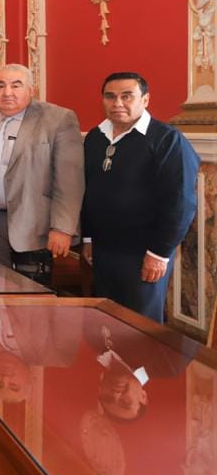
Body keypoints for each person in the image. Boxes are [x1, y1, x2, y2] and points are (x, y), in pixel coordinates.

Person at [82, 72, 200, 323]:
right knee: (107, 324)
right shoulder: (95, 137)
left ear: (145, 100)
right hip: (103, 250)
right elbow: (89, 191)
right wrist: (89, 237)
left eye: (127, 96)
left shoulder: (167, 140)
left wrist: (159, 254)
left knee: (140, 328)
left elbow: (181, 203)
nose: (118, 103)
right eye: (110, 96)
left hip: (143, 254)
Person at [0, 63, 84, 285]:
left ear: (31, 90)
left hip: (35, 224)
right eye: (0, 86)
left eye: (16, 85)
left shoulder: (57, 119)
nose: (7, 92)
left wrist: (62, 228)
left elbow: (70, 181)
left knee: (30, 296)